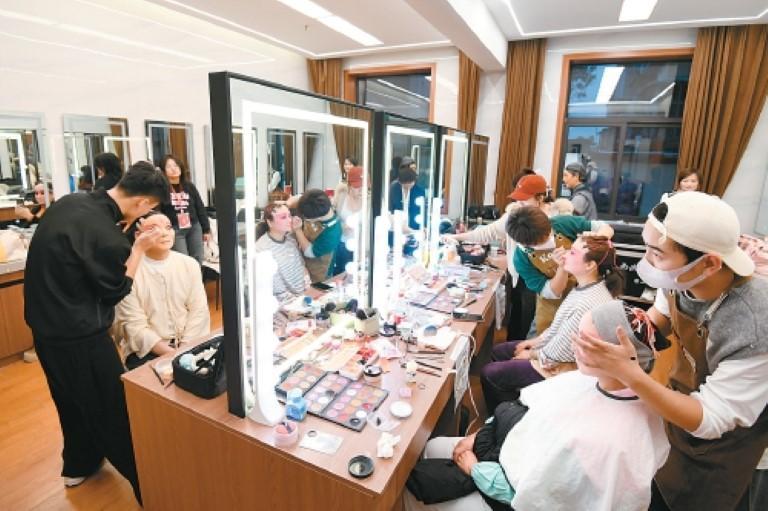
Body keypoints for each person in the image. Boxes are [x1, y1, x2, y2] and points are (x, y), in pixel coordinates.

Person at [573, 192, 768, 510]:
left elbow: (711, 417)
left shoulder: (755, 324)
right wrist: (614, 331)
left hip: (719, 448)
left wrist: (629, 374)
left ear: (709, 263)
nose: (648, 262)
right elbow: (655, 323)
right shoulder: (681, 278)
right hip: (673, 415)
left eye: (657, 254)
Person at [405, 300, 670, 511]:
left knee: (411, 490)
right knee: (432, 446)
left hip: (508, 495)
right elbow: (524, 409)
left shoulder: (608, 439)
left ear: (617, 356)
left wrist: (474, 469)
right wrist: (477, 435)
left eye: (584, 339)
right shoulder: (587, 381)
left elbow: (533, 498)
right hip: (506, 456)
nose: (572, 343)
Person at [24, 161, 169, 503]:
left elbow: (84, 256)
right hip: (80, 337)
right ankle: (153, 489)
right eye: (150, 209)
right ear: (143, 202)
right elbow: (115, 289)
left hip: (45, 330)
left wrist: (126, 232)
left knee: (70, 402)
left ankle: (79, 463)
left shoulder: (72, 202)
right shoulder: (108, 238)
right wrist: (138, 249)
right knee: (113, 411)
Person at [480, 235, 623, 412]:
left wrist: (532, 354)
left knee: (490, 373)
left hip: (563, 368)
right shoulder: (586, 286)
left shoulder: (587, 303)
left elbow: (559, 353)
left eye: (572, 252)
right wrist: (534, 342)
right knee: (498, 351)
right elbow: (558, 328)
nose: (565, 254)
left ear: (590, 265)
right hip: (554, 353)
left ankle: (512, 415)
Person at [445, 171, 547, 340]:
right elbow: (486, 233)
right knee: (516, 320)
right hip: (519, 277)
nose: (520, 203)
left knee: (528, 325)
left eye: (524, 199)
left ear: (540, 198)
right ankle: (510, 351)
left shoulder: (552, 221)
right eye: (518, 199)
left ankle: (520, 353)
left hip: (539, 282)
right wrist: (456, 237)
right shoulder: (515, 215)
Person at [114, 212, 210, 370]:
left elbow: (198, 310)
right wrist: (173, 354)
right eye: (153, 229)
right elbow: (134, 325)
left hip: (190, 344)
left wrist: (184, 349)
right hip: (148, 350)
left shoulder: (189, 264)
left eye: (168, 227)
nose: (164, 233)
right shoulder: (129, 271)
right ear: (138, 235)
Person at [506, 205, 614, 334]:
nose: (550, 237)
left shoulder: (561, 223)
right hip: (552, 308)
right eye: (543, 240)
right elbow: (553, 291)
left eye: (550, 233)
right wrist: (562, 268)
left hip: (584, 298)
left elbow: (605, 227)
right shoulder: (521, 259)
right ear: (525, 244)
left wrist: (597, 239)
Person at [159, 154, 211, 264]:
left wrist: (206, 229)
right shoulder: (162, 189)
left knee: (198, 258)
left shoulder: (189, 186)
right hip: (175, 229)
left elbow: (200, 207)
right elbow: (159, 211)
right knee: (183, 260)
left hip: (194, 226)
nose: (173, 169)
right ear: (163, 171)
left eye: (176, 165)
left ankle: (197, 276)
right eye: (169, 166)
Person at [254, 203, 307, 301]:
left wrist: (309, 292)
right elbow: (278, 291)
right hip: (286, 303)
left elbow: (302, 268)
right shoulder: (262, 249)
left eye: (289, 216)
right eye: (283, 217)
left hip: (304, 297)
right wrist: (299, 302)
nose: (289, 220)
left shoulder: (291, 241)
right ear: (270, 222)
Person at [291, 189, 343, 283]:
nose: (304, 218)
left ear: (317, 218)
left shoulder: (332, 233)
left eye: (306, 218)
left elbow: (310, 252)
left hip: (318, 272)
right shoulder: (315, 201)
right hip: (301, 266)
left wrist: (298, 230)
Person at [332, 166, 363, 274]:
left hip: (360, 248)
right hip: (341, 245)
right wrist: (341, 226)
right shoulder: (341, 198)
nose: (361, 190)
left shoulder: (369, 202)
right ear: (349, 185)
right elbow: (331, 222)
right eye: (357, 187)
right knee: (340, 276)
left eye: (364, 186)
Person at [389, 164, 426, 232]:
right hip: (396, 225)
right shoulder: (394, 189)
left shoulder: (419, 191)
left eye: (410, 185)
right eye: (405, 186)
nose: (408, 188)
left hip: (414, 225)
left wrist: (424, 226)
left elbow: (422, 210)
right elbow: (391, 208)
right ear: (400, 182)